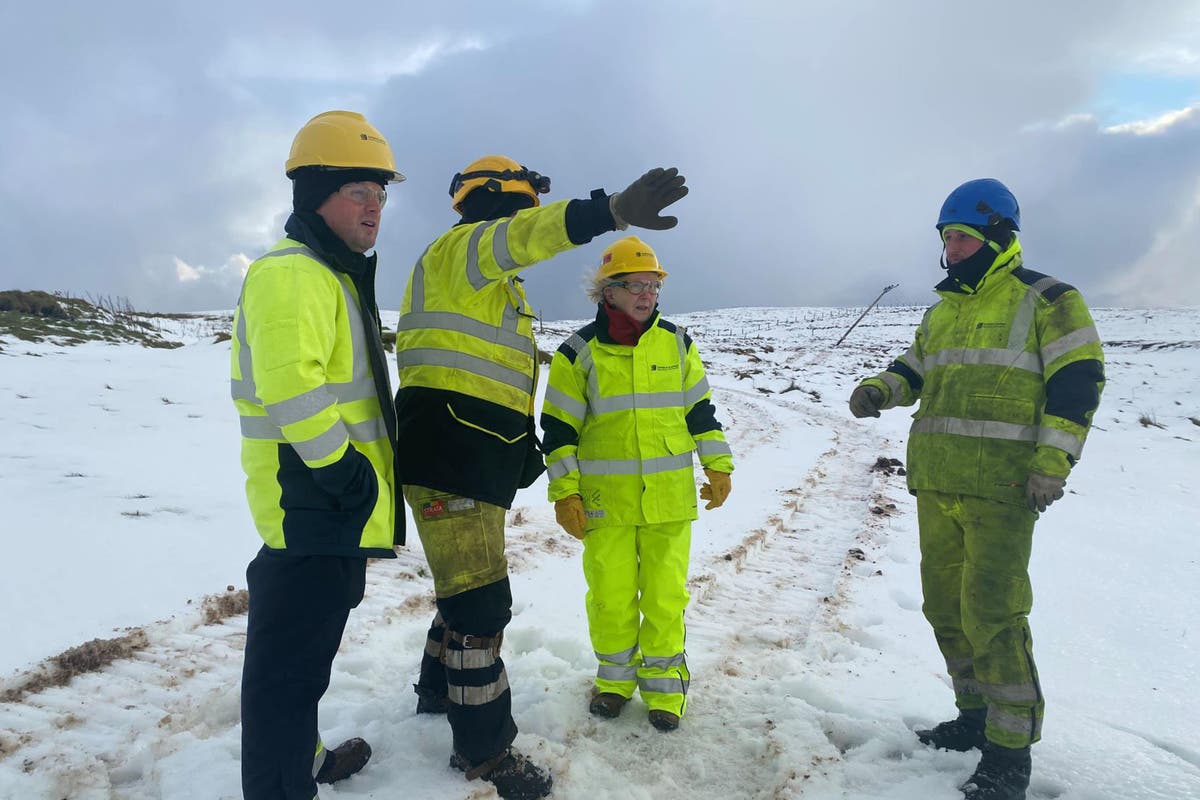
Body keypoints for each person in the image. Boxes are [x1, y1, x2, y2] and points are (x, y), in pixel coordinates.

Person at [394, 155, 688, 799]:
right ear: (498, 201)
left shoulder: (492, 287)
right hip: (450, 454)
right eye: (523, 207)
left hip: (470, 454)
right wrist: (607, 213)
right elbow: (519, 238)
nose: (526, 222)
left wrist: (519, 446)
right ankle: (485, 752)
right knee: (479, 606)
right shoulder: (464, 250)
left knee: (461, 589)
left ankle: (437, 695)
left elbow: (486, 371)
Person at [848, 178, 1105, 800]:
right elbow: (916, 367)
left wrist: (1053, 461)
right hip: (939, 483)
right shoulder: (943, 310)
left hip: (1005, 488)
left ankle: (1011, 754)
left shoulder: (1048, 300)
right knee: (946, 608)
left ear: (997, 235)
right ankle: (974, 717)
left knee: (994, 614)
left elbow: (1079, 382)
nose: (952, 247)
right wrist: (883, 388)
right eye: (946, 237)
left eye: (961, 236)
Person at [230, 110, 405, 799]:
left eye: (381, 193)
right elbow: (289, 387)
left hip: (329, 508)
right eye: (358, 191)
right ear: (314, 196)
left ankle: (300, 761)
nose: (374, 208)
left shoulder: (332, 275)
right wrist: (346, 472)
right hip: (310, 504)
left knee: (304, 664)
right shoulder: (294, 273)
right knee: (285, 676)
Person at [539, 235, 734, 733]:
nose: (647, 295)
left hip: (668, 501)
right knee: (610, 596)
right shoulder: (576, 352)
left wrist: (718, 466)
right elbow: (559, 431)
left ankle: (666, 689)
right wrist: (566, 492)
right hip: (607, 504)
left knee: (665, 596)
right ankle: (614, 683)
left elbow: (701, 412)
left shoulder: (677, 343)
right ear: (608, 292)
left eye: (653, 285)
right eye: (635, 286)